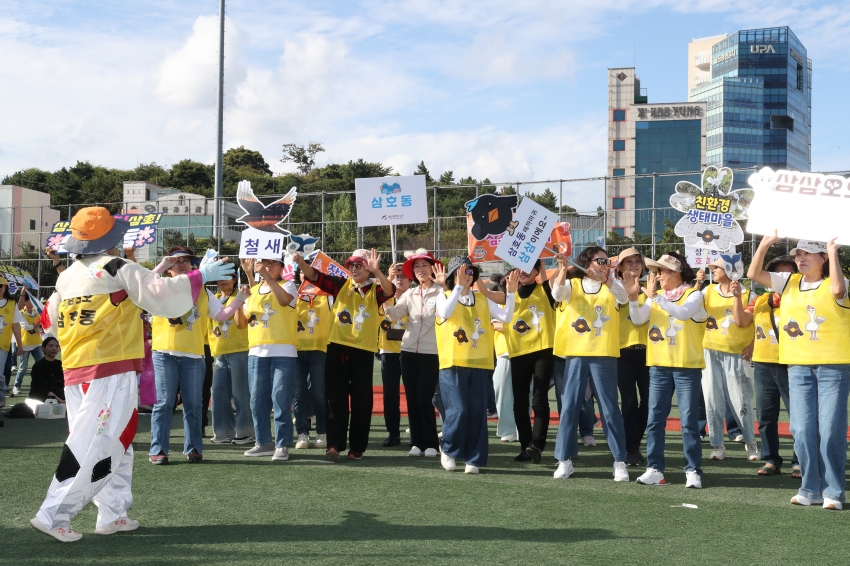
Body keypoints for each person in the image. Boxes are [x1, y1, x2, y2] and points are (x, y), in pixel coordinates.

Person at [32, 206, 234, 542]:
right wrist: (200, 275)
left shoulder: (66, 277)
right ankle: (53, 515)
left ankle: (113, 514)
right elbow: (159, 294)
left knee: (118, 443)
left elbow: (49, 321)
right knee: (96, 444)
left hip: (77, 368)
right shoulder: (117, 266)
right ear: (109, 239)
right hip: (109, 368)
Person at [748, 234, 850, 510]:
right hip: (797, 366)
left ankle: (833, 492)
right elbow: (754, 273)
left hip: (833, 367)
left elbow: (838, 291)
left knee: (830, 431)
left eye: (807, 253)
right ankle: (810, 488)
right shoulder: (789, 281)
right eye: (797, 254)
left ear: (823, 258)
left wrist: (833, 251)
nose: (800, 258)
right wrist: (765, 243)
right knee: (802, 430)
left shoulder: (838, 282)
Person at [293, 248, 394, 460]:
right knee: (334, 398)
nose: (354, 269)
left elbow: (389, 291)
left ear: (368, 268)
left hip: (363, 350)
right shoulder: (340, 284)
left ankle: (357, 448)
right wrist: (301, 263)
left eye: (359, 265)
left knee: (361, 401)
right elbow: (315, 276)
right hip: (337, 347)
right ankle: (334, 445)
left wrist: (377, 271)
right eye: (351, 265)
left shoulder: (375, 289)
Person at [149, 247, 247, 465]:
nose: (181, 264)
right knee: (164, 403)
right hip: (164, 353)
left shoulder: (204, 292)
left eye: (186, 260)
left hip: (193, 356)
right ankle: (158, 449)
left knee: (194, 404)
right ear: (169, 268)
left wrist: (239, 298)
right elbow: (144, 283)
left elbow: (220, 315)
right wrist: (162, 264)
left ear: (194, 266)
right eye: (176, 261)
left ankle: (193, 447)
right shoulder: (161, 285)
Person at [626, 252, 707, 489]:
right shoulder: (656, 297)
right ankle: (654, 469)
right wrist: (633, 299)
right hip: (658, 365)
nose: (657, 276)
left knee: (689, 422)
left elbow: (683, 313)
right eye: (656, 272)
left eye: (660, 271)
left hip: (687, 367)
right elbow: (638, 319)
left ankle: (692, 470)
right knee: (654, 420)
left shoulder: (695, 294)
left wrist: (653, 296)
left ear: (676, 272)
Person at [551, 247, 629, 481]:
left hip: (603, 353)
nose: (605, 265)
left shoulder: (612, 285)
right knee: (569, 406)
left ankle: (619, 461)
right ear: (587, 262)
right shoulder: (573, 284)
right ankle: (564, 460)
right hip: (575, 353)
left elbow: (624, 298)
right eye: (600, 261)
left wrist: (606, 280)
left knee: (609, 408)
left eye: (607, 262)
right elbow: (558, 295)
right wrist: (562, 269)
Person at [435, 257, 517, 474]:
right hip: (452, 363)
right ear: (453, 276)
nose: (467, 275)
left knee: (477, 413)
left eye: (470, 272)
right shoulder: (443, 296)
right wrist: (457, 287)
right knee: (459, 410)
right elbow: (445, 313)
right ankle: (449, 448)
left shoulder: (482, 299)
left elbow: (506, 317)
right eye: (462, 271)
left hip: (480, 363)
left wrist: (511, 293)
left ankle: (474, 458)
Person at [737, 255, 799, 476]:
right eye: (778, 272)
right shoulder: (761, 300)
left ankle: (800, 461)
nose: (784, 276)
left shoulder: (800, 298)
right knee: (766, 417)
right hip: (763, 364)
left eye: (789, 272)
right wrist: (736, 298)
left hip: (792, 364)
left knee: (798, 417)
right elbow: (742, 322)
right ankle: (771, 459)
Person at [234, 257, 298, 461]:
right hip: (256, 352)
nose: (268, 266)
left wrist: (264, 276)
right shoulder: (253, 291)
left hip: (283, 351)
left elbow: (284, 301)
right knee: (257, 401)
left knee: (280, 399)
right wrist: (239, 301)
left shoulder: (287, 285)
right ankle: (263, 442)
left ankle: (282, 444)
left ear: (282, 267)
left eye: (273, 263)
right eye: (265, 262)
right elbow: (240, 323)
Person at [384, 249, 444, 456]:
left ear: (432, 268)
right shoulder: (409, 294)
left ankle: (431, 443)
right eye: (416, 266)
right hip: (408, 352)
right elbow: (393, 315)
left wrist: (444, 286)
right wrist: (385, 296)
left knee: (424, 399)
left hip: (431, 352)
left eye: (424, 266)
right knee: (411, 398)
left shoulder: (441, 292)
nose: (420, 270)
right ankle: (417, 443)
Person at [701, 256, 758, 461]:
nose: (713, 271)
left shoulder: (750, 294)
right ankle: (717, 445)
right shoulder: (707, 291)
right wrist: (697, 284)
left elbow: (757, 324)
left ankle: (751, 444)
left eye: (716, 267)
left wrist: (753, 345)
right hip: (709, 352)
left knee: (741, 400)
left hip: (737, 353)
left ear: (730, 269)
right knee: (712, 401)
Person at [503, 259, 556, 464]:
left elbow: (556, 280)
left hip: (543, 350)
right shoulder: (509, 292)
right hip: (517, 352)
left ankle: (537, 445)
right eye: (520, 267)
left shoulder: (546, 289)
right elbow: (487, 294)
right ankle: (525, 446)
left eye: (529, 267)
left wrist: (559, 265)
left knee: (539, 399)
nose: (523, 271)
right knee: (519, 403)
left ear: (537, 271)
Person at [615, 248, 650, 466]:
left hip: (650, 352)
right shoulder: (613, 289)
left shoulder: (651, 289)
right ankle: (632, 448)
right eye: (628, 262)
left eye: (638, 261)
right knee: (629, 402)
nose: (634, 264)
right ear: (619, 267)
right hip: (622, 353)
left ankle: (633, 443)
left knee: (649, 402)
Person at [208, 272, 253, 446]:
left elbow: (243, 322)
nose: (223, 281)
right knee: (218, 392)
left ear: (235, 279)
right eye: (219, 277)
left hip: (240, 349)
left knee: (241, 393)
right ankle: (223, 432)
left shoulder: (241, 296)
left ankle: (246, 431)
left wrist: (240, 301)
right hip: (219, 350)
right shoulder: (213, 298)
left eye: (227, 277)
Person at [293, 273, 331, 450]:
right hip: (296, 351)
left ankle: (322, 433)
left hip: (319, 350)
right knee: (298, 395)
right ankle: (302, 433)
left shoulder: (327, 295)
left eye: (311, 272)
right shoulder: (292, 295)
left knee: (319, 394)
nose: (307, 276)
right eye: (303, 272)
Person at [377, 262, 410, 450]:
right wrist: (387, 279)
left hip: (410, 350)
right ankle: (393, 432)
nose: (399, 280)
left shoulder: (414, 296)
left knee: (414, 394)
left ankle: (416, 431)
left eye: (403, 276)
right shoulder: (381, 295)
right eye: (396, 276)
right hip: (388, 351)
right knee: (390, 395)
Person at [11, 293, 44, 396]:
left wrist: (40, 326)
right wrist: (37, 325)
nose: (33, 302)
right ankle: (16, 386)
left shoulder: (36, 312)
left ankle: (42, 385)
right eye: (30, 300)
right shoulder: (20, 313)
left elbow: (39, 325)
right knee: (23, 367)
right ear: (25, 302)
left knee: (41, 365)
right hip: (24, 344)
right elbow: (26, 327)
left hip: (37, 343)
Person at [0, 277, 25, 409]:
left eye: (0, 286)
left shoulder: (11, 304)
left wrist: (19, 344)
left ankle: (1, 397)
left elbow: (15, 325)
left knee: (0, 375)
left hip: (3, 345)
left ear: (5, 287)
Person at [28, 337, 64, 403]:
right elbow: (43, 388)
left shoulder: (60, 364)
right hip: (41, 399)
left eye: (57, 346)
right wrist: (62, 401)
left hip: (59, 397)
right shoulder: (38, 366)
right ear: (43, 348)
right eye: (51, 346)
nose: (54, 348)